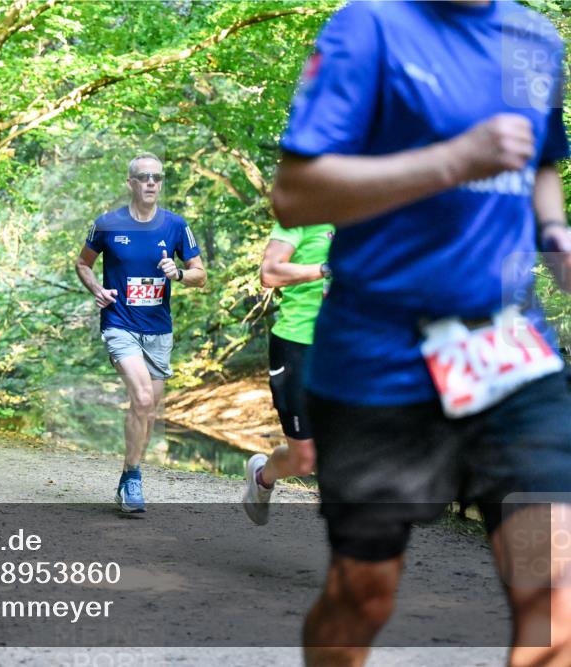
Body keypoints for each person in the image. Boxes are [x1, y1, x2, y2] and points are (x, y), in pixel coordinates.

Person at [270, 2, 571, 664]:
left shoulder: (533, 39)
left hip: (510, 358)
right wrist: (453, 160)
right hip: (379, 362)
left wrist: (555, 235)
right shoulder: (370, 27)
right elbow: (295, 193)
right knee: (364, 596)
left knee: (553, 601)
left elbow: (540, 160)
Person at [74, 153, 206, 513]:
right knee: (143, 398)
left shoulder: (176, 226)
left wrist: (178, 273)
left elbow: (200, 274)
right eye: (144, 177)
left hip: (158, 330)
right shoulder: (107, 224)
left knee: (147, 409)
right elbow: (83, 263)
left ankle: (128, 471)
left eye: (157, 177)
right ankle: (134, 479)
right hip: (120, 324)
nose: (151, 183)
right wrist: (97, 290)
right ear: (130, 183)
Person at [243, 222, 333, 525]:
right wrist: (325, 268)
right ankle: (262, 477)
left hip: (349, 347)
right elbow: (269, 273)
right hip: (298, 346)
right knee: (304, 460)